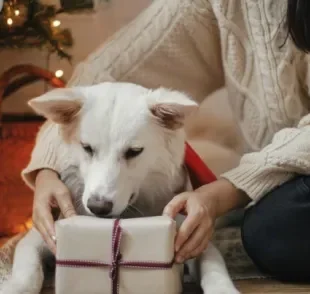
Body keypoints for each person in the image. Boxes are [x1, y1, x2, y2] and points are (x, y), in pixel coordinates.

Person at [22, 0, 310, 282]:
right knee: (268, 226)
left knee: (273, 231)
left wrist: (225, 192)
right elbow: (100, 76)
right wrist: (47, 169)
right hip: (275, 183)